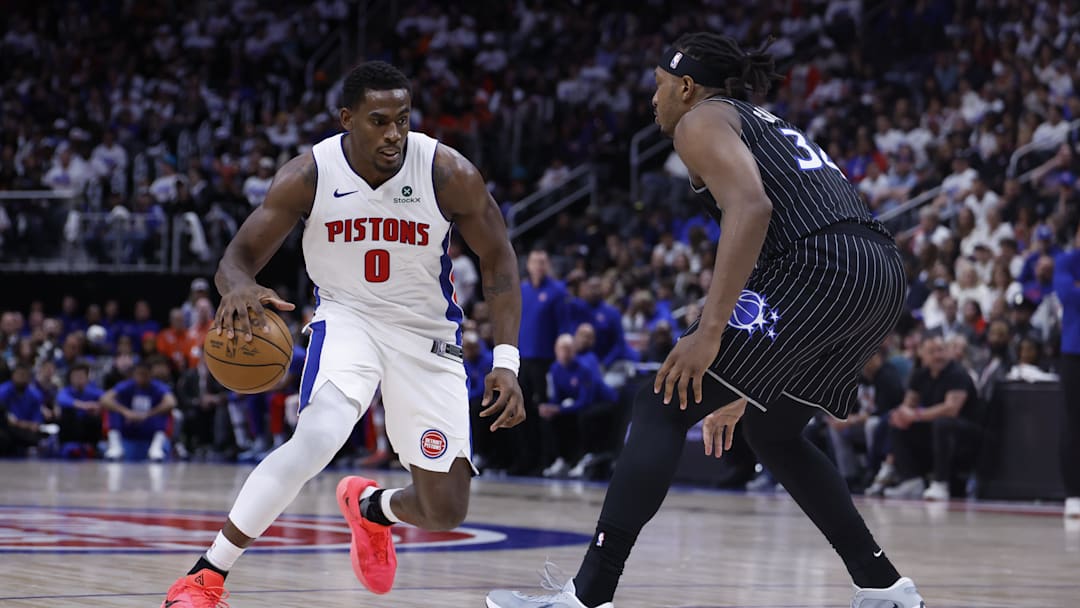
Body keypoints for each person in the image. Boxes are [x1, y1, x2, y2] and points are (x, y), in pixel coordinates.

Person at [488, 33, 924, 608]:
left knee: (663, 399)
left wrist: (710, 334)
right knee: (774, 431)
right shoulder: (760, 122)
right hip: (879, 272)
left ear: (687, 87)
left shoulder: (702, 120)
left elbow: (752, 209)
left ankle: (588, 595)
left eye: (659, 86)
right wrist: (745, 382)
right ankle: (885, 587)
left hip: (820, 265)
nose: (653, 100)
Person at [161, 61, 525, 607]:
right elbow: (236, 258)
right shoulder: (309, 175)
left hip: (427, 332)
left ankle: (370, 508)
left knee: (445, 510)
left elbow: (498, 259)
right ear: (347, 119)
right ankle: (205, 576)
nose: (394, 134)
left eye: (403, 119)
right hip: (347, 319)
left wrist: (506, 360)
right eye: (379, 121)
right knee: (316, 440)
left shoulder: (446, 171)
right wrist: (236, 285)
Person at [882, 336, 980, 501]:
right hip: (934, 430)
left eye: (941, 350)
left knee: (942, 423)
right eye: (932, 351)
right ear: (922, 355)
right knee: (896, 421)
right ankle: (911, 480)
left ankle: (941, 483)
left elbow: (951, 409)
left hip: (966, 432)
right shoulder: (920, 374)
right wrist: (902, 414)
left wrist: (916, 415)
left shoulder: (957, 373)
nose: (937, 356)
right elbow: (909, 404)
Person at [100, 359, 177, 461]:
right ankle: (115, 447)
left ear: (150, 374)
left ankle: (156, 448)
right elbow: (105, 399)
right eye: (139, 374)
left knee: (165, 410)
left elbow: (171, 402)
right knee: (112, 408)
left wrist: (148, 414)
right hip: (128, 424)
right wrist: (125, 412)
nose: (141, 377)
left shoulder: (157, 386)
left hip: (149, 424)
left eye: (144, 374)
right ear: (134, 374)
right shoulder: (127, 385)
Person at [1054, 236, 1080, 519]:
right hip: (1075, 352)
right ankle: (1074, 493)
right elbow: (1067, 294)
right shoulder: (1066, 261)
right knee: (1073, 423)